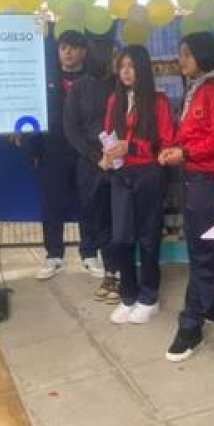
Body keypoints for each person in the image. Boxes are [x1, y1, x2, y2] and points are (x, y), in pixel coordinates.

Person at [159, 32, 214, 361]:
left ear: (202, 55)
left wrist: (184, 152)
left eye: (187, 54)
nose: (181, 60)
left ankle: (190, 327)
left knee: (203, 251)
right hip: (197, 175)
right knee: (211, 248)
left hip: (207, 178)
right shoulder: (199, 87)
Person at [103, 44, 175, 323]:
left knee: (148, 238)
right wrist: (107, 154)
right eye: (121, 66)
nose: (125, 72)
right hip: (121, 175)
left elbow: (166, 143)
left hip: (148, 174)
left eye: (131, 66)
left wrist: (130, 148)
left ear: (143, 69)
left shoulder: (159, 102)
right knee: (120, 238)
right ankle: (128, 294)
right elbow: (109, 136)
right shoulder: (114, 101)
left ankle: (149, 296)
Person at [32, 30, 96, 280]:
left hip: (85, 153)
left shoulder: (92, 80)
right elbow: (36, 117)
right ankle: (53, 255)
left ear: (84, 51)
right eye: (63, 48)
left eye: (72, 48)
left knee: (88, 202)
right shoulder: (46, 79)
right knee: (52, 204)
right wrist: (34, 149)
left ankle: (90, 253)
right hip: (52, 150)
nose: (67, 53)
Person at [64, 35, 122, 303]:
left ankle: (124, 274)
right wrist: (93, 156)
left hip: (121, 162)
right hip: (91, 166)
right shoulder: (79, 88)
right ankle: (110, 272)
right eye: (113, 55)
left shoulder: (121, 86)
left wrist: (117, 152)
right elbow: (71, 129)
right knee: (98, 220)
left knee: (121, 218)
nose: (117, 60)